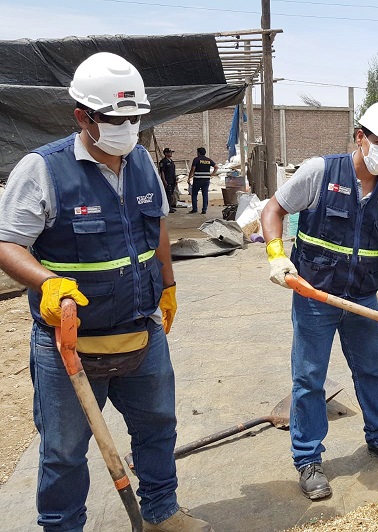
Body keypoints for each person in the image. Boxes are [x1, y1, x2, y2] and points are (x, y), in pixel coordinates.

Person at [0, 52, 212, 532]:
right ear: (83, 117)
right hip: (69, 343)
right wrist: (47, 282)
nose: (128, 128)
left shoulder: (142, 163)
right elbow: (8, 242)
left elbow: (157, 226)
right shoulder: (44, 169)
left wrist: (168, 285)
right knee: (63, 450)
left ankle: (161, 512)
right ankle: (62, 526)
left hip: (140, 330)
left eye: (135, 118)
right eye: (115, 119)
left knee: (157, 427)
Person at [260, 99, 378, 500]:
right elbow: (273, 210)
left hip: (362, 296)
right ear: (360, 137)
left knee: (372, 370)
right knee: (309, 377)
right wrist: (277, 256)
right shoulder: (320, 172)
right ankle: (308, 458)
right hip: (315, 295)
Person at [188, 147, 217, 214]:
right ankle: (204, 210)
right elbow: (216, 167)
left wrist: (189, 178)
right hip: (206, 180)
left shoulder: (196, 159)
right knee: (205, 194)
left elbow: (193, 169)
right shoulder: (208, 160)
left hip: (197, 180)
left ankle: (195, 209)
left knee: (194, 194)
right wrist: (212, 174)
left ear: (198, 153)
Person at [159, 147, 178, 213]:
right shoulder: (163, 162)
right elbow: (162, 172)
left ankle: (170, 207)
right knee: (168, 195)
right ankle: (167, 208)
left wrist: (175, 180)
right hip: (167, 180)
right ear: (166, 153)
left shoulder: (171, 161)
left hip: (172, 180)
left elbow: (173, 171)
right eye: (169, 152)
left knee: (171, 194)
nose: (171, 153)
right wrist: (164, 180)